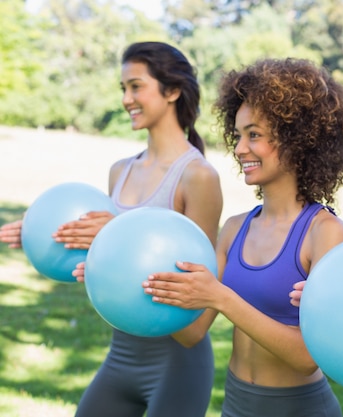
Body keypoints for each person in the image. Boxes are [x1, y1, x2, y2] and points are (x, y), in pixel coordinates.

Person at [0, 41, 223, 417]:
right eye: (123, 89)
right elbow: (109, 257)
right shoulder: (121, 170)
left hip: (178, 362)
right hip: (121, 353)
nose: (126, 99)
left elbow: (197, 319)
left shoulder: (198, 176)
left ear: (172, 91)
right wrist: (47, 233)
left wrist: (116, 230)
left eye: (136, 86)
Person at [141, 57, 343, 417]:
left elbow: (307, 357)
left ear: (297, 138)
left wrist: (222, 298)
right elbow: (192, 332)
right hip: (237, 404)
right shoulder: (234, 228)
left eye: (254, 135)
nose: (240, 149)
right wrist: (135, 281)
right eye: (238, 135)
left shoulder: (326, 232)